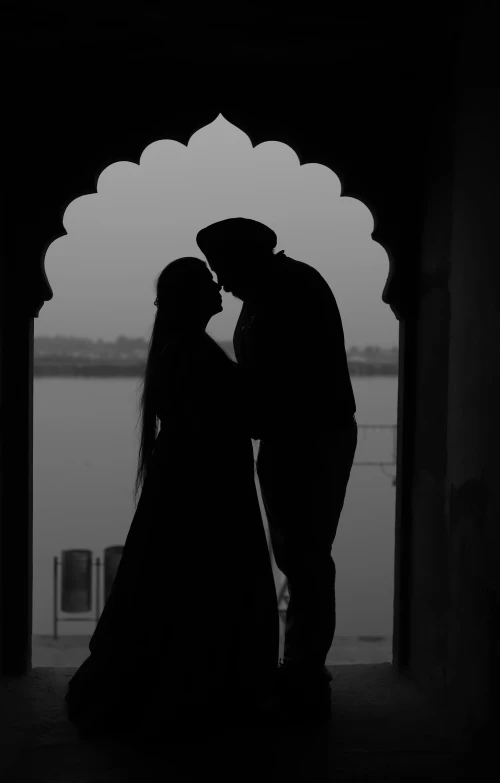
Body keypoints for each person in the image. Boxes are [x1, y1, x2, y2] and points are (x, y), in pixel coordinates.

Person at [64, 257, 280, 741]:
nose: (218, 286)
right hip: (205, 492)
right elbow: (248, 414)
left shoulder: (184, 350)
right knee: (201, 589)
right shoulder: (191, 353)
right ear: (189, 298)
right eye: (206, 283)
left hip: (190, 484)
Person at [196, 218, 358, 721]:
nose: (220, 284)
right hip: (289, 439)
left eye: (223, 269)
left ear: (247, 258)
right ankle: (300, 664)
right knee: (295, 552)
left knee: (306, 555)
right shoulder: (268, 293)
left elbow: (284, 381)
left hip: (312, 437)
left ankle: (306, 669)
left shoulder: (294, 290)